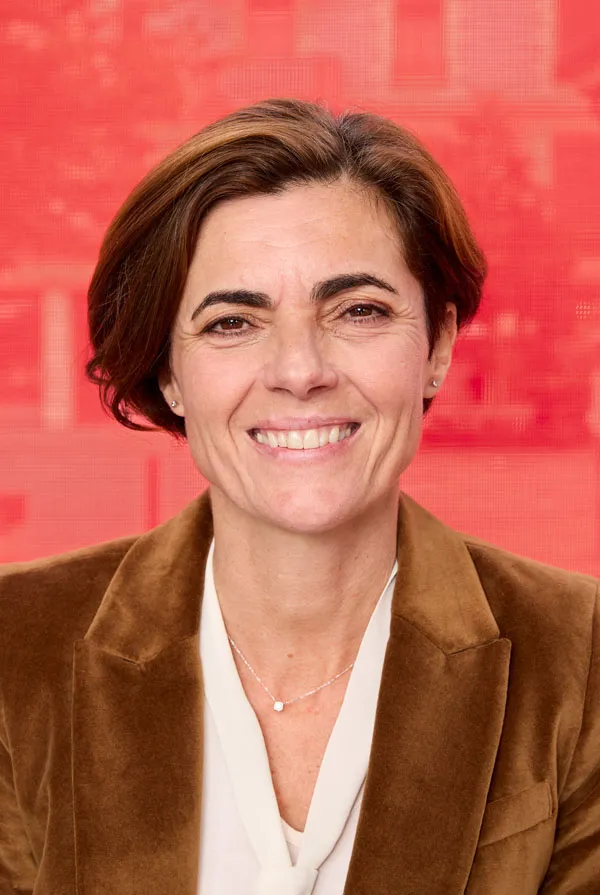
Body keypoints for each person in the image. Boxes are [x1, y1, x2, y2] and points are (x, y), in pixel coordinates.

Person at [0, 99, 598, 895]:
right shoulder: (14, 649)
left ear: (438, 345)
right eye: (232, 322)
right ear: (169, 372)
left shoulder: (583, 657)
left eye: (359, 310)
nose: (299, 370)